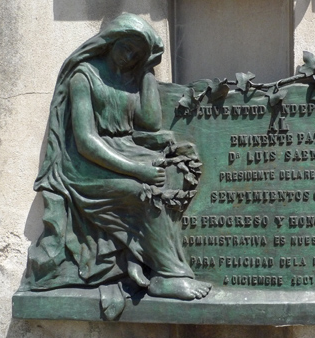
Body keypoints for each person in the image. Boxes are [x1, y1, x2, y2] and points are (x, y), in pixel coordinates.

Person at [23, 13, 211, 305]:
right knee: (142, 191)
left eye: (137, 54)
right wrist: (138, 170)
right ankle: (167, 276)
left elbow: (148, 122)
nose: (129, 56)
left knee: (172, 177)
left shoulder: (131, 77)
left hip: (124, 150)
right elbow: (86, 142)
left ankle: (148, 258)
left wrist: (147, 69)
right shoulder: (83, 76)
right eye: (126, 47)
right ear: (111, 42)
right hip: (85, 167)